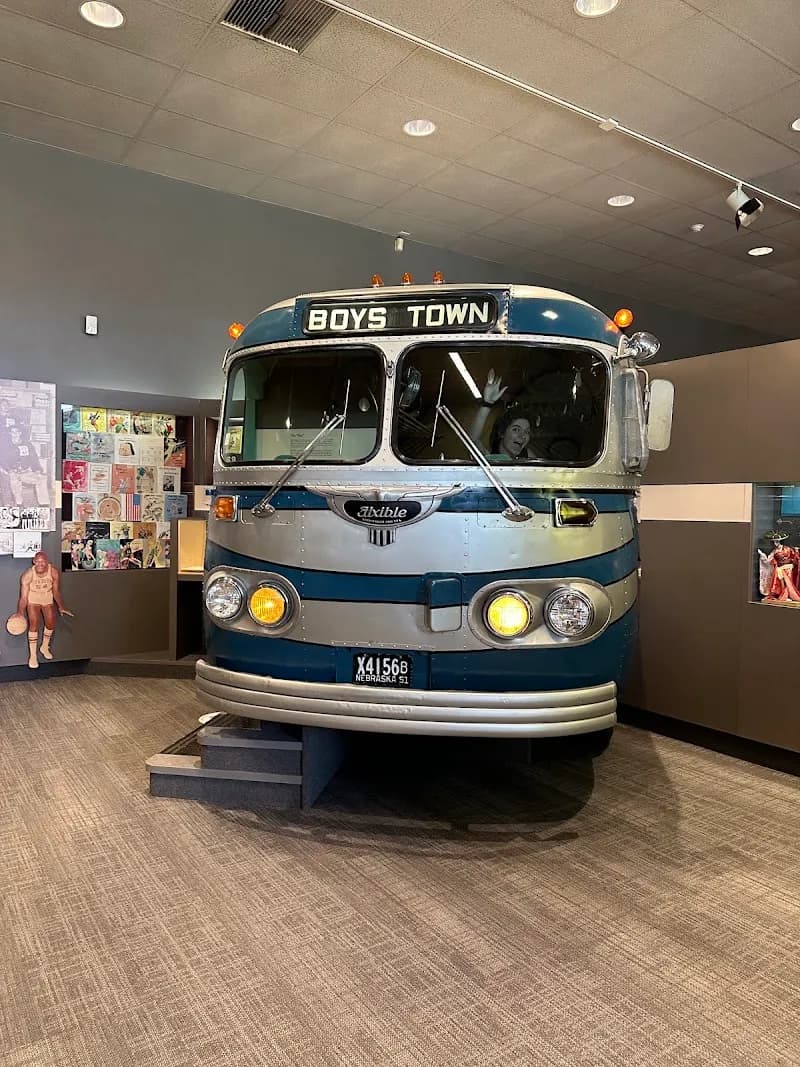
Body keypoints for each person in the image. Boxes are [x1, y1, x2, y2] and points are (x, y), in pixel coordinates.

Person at [18, 551, 72, 669]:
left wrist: (61, 606)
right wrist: (20, 613)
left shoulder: (53, 572)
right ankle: (32, 656)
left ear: (47, 562)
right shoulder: (27, 575)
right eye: (38, 562)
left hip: (47, 598)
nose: (40, 564)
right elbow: (23, 597)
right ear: (34, 562)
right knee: (34, 623)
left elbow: (56, 592)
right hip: (33, 599)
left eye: (43, 562)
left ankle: (44, 646)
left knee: (51, 623)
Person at [468, 369, 533, 461]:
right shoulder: (489, 459)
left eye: (527, 432)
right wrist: (487, 404)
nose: (522, 436)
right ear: (502, 432)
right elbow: (472, 440)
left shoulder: (528, 457)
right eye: (516, 429)